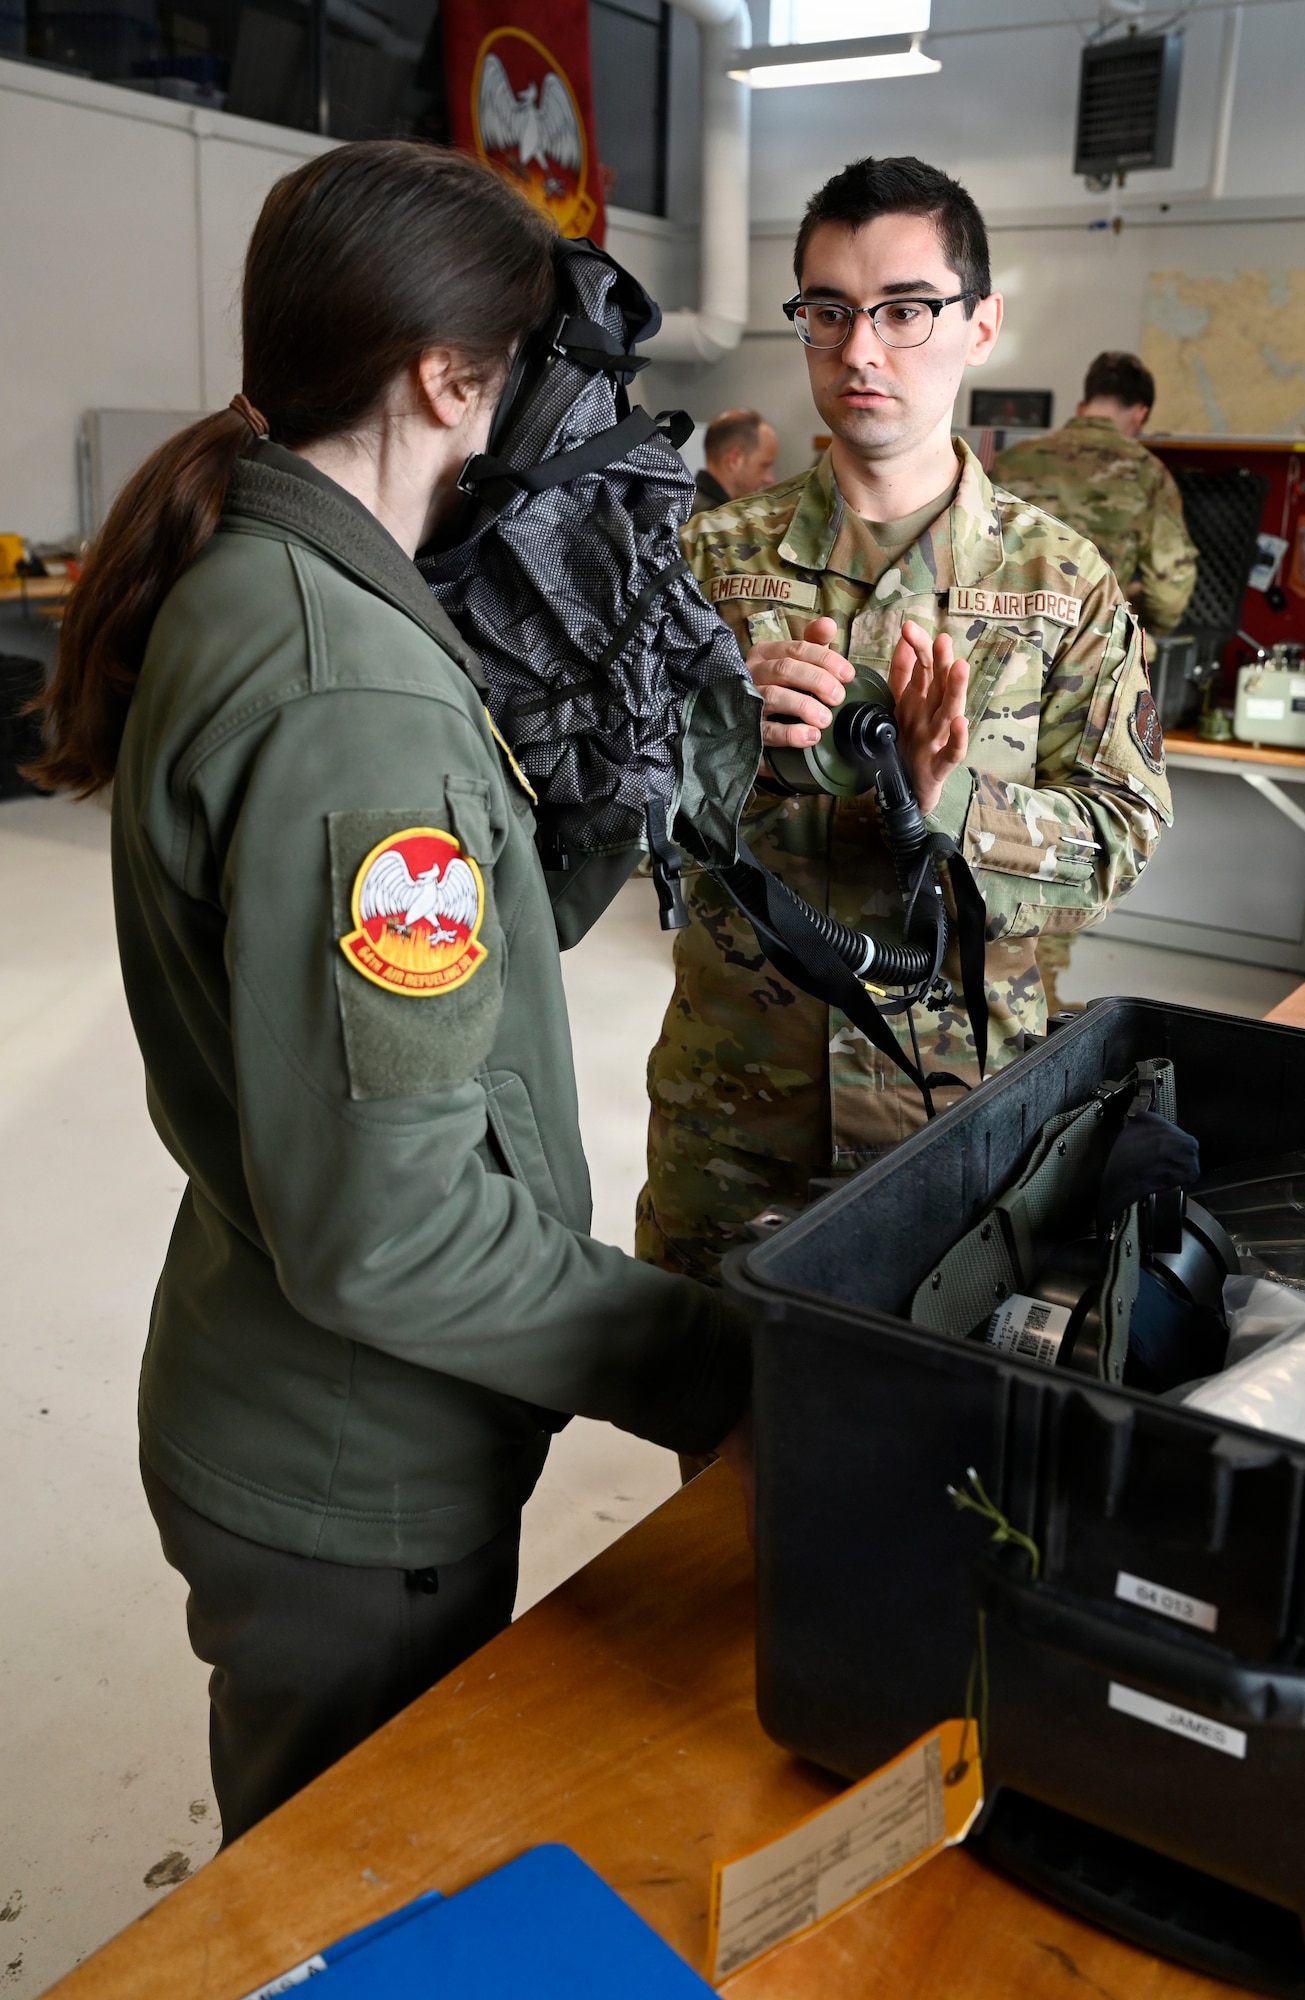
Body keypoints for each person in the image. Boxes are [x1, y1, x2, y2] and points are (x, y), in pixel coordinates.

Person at [31, 141, 750, 1845]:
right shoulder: (355, 696)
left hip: (301, 1395)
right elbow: (392, 1235)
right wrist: (725, 1359)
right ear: (447, 379)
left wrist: (654, 773)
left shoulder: (288, 594)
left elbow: (442, 970)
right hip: (359, 1461)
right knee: (341, 1902)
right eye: (531, 386)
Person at [636, 156, 1171, 1286]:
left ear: (978, 324)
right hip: (738, 1117)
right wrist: (717, 725)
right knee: (720, 1431)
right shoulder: (703, 564)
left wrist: (946, 802)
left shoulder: (1059, 581)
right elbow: (604, 805)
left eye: (903, 309)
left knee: (928, 1447)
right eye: (826, 311)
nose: (860, 350)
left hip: (966, 1128)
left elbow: (1122, 830)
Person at [991, 350, 1196, 1009]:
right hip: (1088, 682)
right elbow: (1169, 589)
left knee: (984, 816)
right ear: (1137, 413)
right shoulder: (1145, 473)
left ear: (1085, 399)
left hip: (994, 672)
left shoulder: (1015, 462)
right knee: (1065, 834)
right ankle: (1028, 1011)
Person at [692, 407, 779, 514]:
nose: (770, 479)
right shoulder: (713, 522)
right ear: (734, 459)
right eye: (764, 466)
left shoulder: (685, 510)